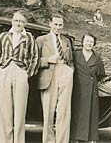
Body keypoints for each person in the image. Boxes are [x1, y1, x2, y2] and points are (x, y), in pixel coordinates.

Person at [0, 10, 38, 143]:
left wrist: (27, 73)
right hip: (4, 72)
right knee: (4, 112)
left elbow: (35, 57)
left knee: (20, 112)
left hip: (21, 72)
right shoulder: (4, 36)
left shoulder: (29, 37)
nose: (19, 23)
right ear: (12, 21)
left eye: (22, 21)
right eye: (17, 20)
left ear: (25, 23)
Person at [36, 12, 74, 143]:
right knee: (48, 111)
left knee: (64, 111)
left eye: (60, 25)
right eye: (55, 24)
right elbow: (34, 61)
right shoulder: (41, 40)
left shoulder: (66, 41)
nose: (58, 27)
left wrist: (70, 71)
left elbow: (71, 60)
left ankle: (62, 140)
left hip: (65, 72)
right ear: (50, 24)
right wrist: (48, 59)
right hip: (49, 74)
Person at [70, 33, 105, 143]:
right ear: (82, 42)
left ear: (94, 43)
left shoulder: (97, 57)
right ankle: (75, 137)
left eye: (91, 41)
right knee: (76, 111)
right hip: (77, 88)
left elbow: (100, 74)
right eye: (87, 41)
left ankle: (90, 138)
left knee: (90, 113)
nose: (89, 43)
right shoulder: (75, 54)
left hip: (91, 89)